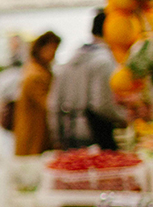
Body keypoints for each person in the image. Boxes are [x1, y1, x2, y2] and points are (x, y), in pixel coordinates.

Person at [48, 11, 124, 150]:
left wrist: (57, 137)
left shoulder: (70, 60)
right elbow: (102, 104)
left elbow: (53, 104)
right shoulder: (104, 61)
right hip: (96, 134)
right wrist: (123, 118)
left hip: (69, 132)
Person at [13, 30, 61, 156]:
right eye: (52, 50)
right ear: (41, 48)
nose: (53, 55)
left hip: (35, 131)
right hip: (34, 132)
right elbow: (48, 104)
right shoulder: (35, 75)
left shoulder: (36, 70)